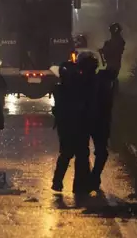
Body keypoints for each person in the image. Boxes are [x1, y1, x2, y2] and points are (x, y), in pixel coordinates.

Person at [51, 59, 91, 194]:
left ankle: (58, 181)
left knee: (66, 154)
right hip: (77, 123)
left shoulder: (59, 88)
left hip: (65, 124)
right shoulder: (78, 87)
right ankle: (78, 185)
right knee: (80, 154)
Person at [78, 52, 112, 192]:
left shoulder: (78, 81)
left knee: (83, 153)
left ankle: (87, 181)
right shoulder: (101, 81)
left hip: (86, 121)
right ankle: (92, 179)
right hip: (98, 121)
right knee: (99, 152)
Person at [99, 22, 126, 93]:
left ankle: (114, 91)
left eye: (112, 30)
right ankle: (112, 91)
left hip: (115, 62)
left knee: (112, 76)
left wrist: (105, 50)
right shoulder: (110, 42)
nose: (111, 33)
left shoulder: (119, 41)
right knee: (110, 77)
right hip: (111, 62)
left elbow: (116, 50)